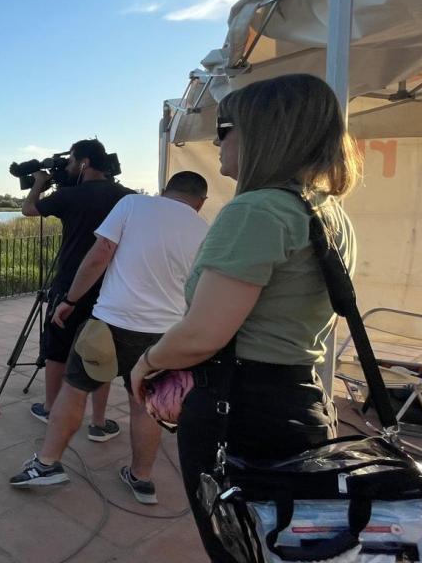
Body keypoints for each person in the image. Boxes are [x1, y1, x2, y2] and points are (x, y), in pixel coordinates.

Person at [129, 74, 358, 562]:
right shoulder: (326, 209)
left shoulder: (257, 210)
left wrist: (146, 364)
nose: (217, 140)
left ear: (264, 132)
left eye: (225, 127)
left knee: (237, 543)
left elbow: (202, 335)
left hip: (240, 408)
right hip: (298, 397)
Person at [10, 172, 209, 502]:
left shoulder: (132, 204)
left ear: (164, 191)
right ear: (200, 202)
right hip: (164, 335)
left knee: (74, 391)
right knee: (145, 405)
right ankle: (142, 480)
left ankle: (47, 465)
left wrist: (70, 300)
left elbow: (100, 253)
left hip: (112, 322)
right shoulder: (206, 229)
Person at [21, 139, 135, 441]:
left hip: (70, 285)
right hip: (112, 289)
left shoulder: (69, 196)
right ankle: (98, 423)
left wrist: (40, 184)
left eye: (71, 161)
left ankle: (50, 408)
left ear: (84, 162)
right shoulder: (128, 197)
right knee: (102, 353)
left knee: (57, 349)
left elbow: (29, 209)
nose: (68, 167)